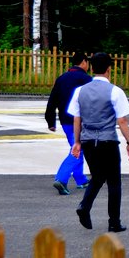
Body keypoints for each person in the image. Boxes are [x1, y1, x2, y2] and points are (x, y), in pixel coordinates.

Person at [68, 52, 129, 232]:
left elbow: (77, 118)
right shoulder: (115, 91)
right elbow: (122, 120)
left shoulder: (80, 91)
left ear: (91, 68)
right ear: (109, 69)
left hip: (88, 140)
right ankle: (114, 221)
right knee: (114, 182)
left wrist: (77, 142)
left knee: (97, 176)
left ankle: (85, 206)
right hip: (107, 141)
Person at [45, 52, 92, 195]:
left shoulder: (62, 78)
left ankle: (81, 179)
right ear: (84, 62)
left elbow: (52, 100)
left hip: (65, 121)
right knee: (77, 149)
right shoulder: (86, 79)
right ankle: (61, 178)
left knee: (77, 147)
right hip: (80, 121)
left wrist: (51, 120)